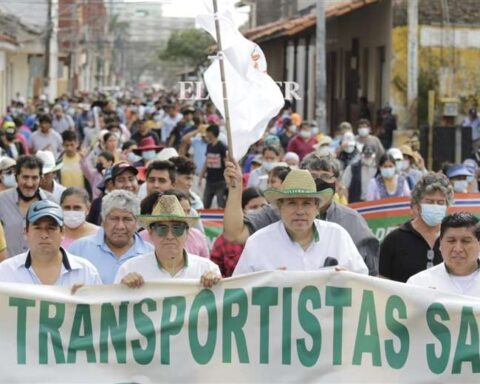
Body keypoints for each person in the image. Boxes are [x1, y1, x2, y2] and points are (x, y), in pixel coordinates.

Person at [223, 154, 380, 276]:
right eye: (292, 203)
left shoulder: (340, 235)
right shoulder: (258, 242)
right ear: (279, 207)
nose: (300, 211)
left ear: (316, 207)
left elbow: (364, 282)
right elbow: (242, 291)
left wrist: (348, 280)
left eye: (307, 203)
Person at [114, 194, 220, 288]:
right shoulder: (129, 269)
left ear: (187, 232)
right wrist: (123, 290)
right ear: (150, 232)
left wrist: (217, 285)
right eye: (162, 228)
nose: (170, 236)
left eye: (177, 228)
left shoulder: (207, 269)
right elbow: (114, 306)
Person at [0, 200, 101, 285]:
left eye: (51, 228)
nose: (44, 235)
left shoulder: (85, 273)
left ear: (62, 232)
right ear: (26, 232)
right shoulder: (6, 272)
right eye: (37, 228)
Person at [379, 173, 454, 282]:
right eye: (430, 202)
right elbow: (381, 281)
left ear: (447, 206)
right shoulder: (395, 239)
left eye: (440, 202)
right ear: (417, 205)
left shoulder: (454, 239)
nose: (435, 206)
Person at [68, 190, 153, 284]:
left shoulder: (151, 253)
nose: (120, 226)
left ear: (137, 222)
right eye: (114, 219)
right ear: (103, 220)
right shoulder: (79, 249)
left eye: (127, 219)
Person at [407, 213, 480, 297]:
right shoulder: (418, 283)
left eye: (465, 241)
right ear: (440, 244)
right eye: (451, 241)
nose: (457, 249)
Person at [0, 155, 56, 257]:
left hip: (40, 268)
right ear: (16, 177)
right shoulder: (2, 201)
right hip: (7, 269)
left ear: (41, 179)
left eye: (34, 178)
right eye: (25, 177)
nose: (29, 184)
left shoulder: (51, 203)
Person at [211, 188, 267, 277]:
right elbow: (213, 271)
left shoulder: (277, 236)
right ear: (242, 210)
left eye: (264, 207)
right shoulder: (224, 241)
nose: (260, 211)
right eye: (254, 207)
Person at [139, 189, 210, 258]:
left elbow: (206, 261)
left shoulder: (197, 235)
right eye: (181, 210)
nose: (184, 215)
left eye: (188, 211)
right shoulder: (142, 238)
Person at [199, 124, 228, 208]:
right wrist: (201, 176)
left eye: (208, 133)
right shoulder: (209, 146)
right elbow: (206, 162)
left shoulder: (222, 147)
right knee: (205, 204)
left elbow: (226, 162)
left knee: (221, 205)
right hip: (209, 181)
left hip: (220, 181)